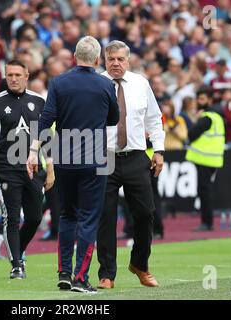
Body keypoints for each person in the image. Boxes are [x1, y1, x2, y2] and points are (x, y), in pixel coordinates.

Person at [27, 36, 120, 293]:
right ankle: (81, 278)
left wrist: (34, 150)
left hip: (65, 159)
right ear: (98, 59)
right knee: (89, 219)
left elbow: (46, 120)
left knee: (67, 215)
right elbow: (114, 118)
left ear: (74, 57)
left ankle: (64, 273)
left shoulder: (58, 83)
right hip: (94, 160)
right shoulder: (105, 85)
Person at [96, 40, 165, 290]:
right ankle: (107, 274)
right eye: (111, 59)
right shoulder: (97, 84)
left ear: (128, 61)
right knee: (105, 217)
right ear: (104, 60)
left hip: (136, 155)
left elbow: (154, 119)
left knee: (146, 213)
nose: (116, 63)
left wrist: (158, 150)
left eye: (120, 59)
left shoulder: (141, 84)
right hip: (104, 157)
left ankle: (140, 264)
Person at [0, 60, 54, 279]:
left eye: (17, 74)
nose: (12, 78)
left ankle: (17, 252)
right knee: (11, 217)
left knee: (34, 218)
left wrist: (50, 169)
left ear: (26, 75)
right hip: (6, 167)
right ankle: (16, 264)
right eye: (9, 74)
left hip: (33, 168)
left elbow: (47, 138)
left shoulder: (39, 101)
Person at [186, 86, 226, 231]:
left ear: (209, 100)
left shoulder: (207, 117)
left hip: (205, 158)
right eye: (198, 98)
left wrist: (195, 119)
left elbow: (191, 134)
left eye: (202, 99)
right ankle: (207, 222)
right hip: (212, 159)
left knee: (204, 192)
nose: (199, 101)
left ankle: (206, 223)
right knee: (206, 191)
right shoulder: (217, 116)